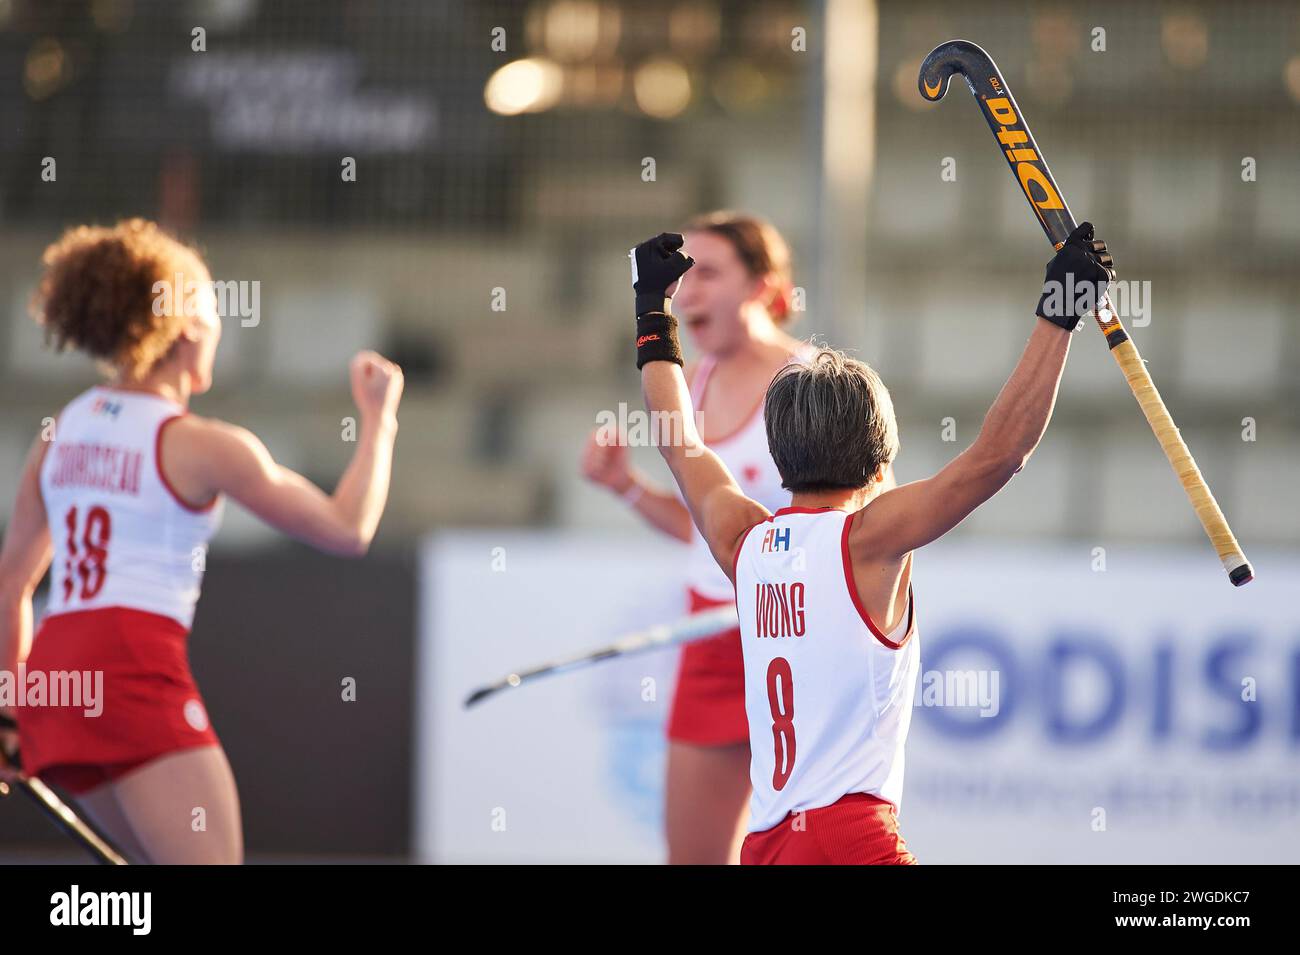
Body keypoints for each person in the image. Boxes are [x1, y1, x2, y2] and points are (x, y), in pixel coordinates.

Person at [627, 222, 1113, 863]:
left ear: (777, 454)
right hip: (851, 839)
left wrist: (649, 306)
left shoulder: (741, 542)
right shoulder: (872, 540)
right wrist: (1060, 314)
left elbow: (679, 440)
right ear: (879, 458)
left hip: (769, 845)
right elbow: (1000, 454)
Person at [0, 218, 403, 863]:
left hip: (58, 678)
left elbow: (13, 583)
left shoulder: (60, 431)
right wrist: (380, 420)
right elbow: (347, 529)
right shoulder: (202, 444)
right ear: (186, 326)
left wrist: (9, 709)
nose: (221, 323)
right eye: (213, 307)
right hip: (130, 665)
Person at [584, 212, 893, 863]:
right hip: (713, 645)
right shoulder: (686, 381)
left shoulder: (820, 382)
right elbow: (709, 533)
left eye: (709, 272)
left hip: (806, 637)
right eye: (679, 276)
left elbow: (874, 517)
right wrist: (628, 488)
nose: (688, 291)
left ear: (764, 285)